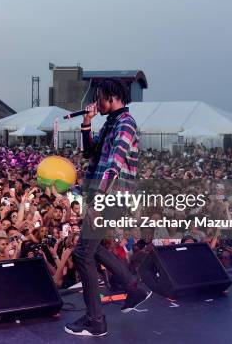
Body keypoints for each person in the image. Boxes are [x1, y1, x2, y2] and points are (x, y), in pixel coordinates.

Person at [65, 79, 151, 337]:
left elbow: (113, 165)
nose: (96, 102)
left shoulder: (126, 123)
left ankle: (96, 320)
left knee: (82, 253)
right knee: (91, 249)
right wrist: (87, 122)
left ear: (112, 97)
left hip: (112, 197)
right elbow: (90, 153)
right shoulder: (111, 122)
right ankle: (133, 288)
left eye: (99, 97)